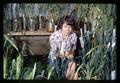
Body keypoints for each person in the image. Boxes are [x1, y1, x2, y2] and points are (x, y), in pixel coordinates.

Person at [48, 15, 79, 80]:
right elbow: (55, 52)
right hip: (55, 59)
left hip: (67, 57)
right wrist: (64, 54)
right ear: (61, 26)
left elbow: (72, 50)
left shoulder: (73, 36)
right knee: (56, 75)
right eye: (65, 26)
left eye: (70, 27)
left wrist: (71, 55)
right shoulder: (54, 36)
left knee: (72, 65)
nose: (68, 30)